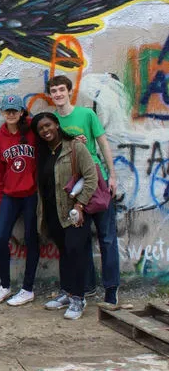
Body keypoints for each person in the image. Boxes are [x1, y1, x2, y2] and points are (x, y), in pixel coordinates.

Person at [48, 75, 119, 308]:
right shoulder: (52, 122)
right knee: (82, 241)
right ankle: (86, 288)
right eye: (54, 91)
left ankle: (111, 290)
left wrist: (112, 175)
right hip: (74, 190)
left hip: (97, 182)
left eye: (61, 90)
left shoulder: (87, 115)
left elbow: (102, 143)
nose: (58, 94)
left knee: (107, 238)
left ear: (70, 91)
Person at [31, 112, 99, 320]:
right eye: (41, 128)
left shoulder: (75, 147)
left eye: (48, 125)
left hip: (74, 212)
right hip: (54, 213)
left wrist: (80, 205)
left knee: (75, 251)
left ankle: (79, 298)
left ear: (57, 125)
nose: (45, 130)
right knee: (64, 252)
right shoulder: (43, 152)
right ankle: (67, 292)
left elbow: (91, 177)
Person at [0, 94, 39, 306]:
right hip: (10, 196)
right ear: (3, 112)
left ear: (21, 112)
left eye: (14, 110)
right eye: (7, 110)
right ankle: (5, 286)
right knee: (1, 238)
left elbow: (52, 134)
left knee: (31, 239)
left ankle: (28, 289)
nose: (10, 114)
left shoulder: (32, 130)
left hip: (31, 194)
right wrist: (1, 197)